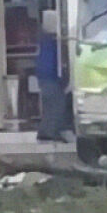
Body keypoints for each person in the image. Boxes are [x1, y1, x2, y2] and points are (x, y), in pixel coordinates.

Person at [36, 10, 73, 142]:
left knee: (50, 106)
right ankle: (50, 132)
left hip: (44, 78)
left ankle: (46, 131)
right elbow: (55, 62)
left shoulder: (43, 40)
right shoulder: (53, 41)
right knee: (57, 105)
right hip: (51, 78)